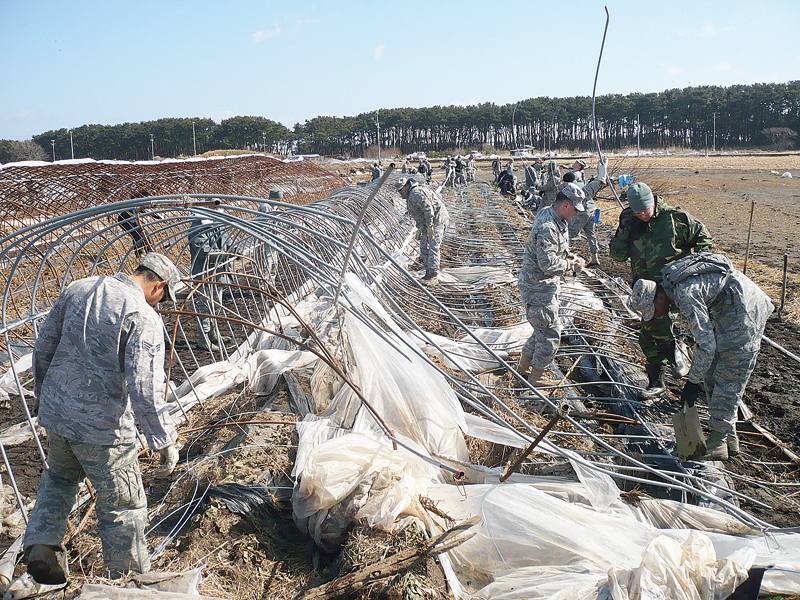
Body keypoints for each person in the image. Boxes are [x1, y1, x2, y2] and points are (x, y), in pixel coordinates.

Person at [24, 253, 182, 584]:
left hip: (59, 415)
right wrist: (163, 440)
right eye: (164, 298)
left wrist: (47, 395)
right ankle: (128, 584)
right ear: (159, 286)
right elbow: (146, 387)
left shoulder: (79, 288)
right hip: (103, 428)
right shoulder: (143, 316)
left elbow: (44, 346)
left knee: (60, 478)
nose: (161, 305)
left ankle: (41, 545)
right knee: (123, 506)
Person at [628, 253, 773, 459]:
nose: (657, 315)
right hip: (729, 307)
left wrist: (692, 383)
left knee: (729, 374)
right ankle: (729, 437)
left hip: (745, 309)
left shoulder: (685, 296)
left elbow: (705, 345)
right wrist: (697, 379)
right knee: (712, 371)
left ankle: (718, 443)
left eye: (654, 309)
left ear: (660, 296)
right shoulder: (671, 286)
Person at [609, 182, 713, 399]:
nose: (643, 216)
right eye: (638, 212)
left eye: (646, 211)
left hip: (672, 286)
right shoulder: (630, 221)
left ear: (653, 203)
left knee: (658, 325)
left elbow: (704, 239)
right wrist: (624, 228)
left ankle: (677, 358)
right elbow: (617, 256)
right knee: (647, 336)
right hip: (644, 289)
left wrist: (693, 269)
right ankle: (659, 378)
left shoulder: (677, 219)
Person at [517, 184, 587, 386]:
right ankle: (536, 380)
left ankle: (522, 369)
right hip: (538, 287)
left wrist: (568, 256)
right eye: (575, 209)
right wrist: (571, 265)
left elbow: (553, 250)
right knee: (550, 335)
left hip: (542, 285)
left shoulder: (552, 214)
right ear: (566, 205)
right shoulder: (548, 227)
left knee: (541, 330)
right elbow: (547, 264)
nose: (577, 214)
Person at [188, 209, 233, 353]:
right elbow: (203, 250)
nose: (217, 210)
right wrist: (224, 255)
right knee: (205, 308)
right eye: (213, 208)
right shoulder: (197, 227)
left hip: (218, 272)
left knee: (216, 305)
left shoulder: (218, 223)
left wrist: (235, 250)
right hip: (204, 274)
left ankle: (214, 334)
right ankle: (204, 341)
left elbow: (227, 241)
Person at [396, 177, 449, 284]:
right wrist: (421, 228)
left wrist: (430, 227)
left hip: (437, 220)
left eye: (401, 190)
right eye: (398, 191)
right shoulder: (410, 195)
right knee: (423, 246)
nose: (399, 192)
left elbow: (428, 208)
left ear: (406, 186)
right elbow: (418, 214)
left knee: (433, 246)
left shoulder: (415, 193)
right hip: (427, 223)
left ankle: (434, 275)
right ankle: (428, 272)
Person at [564, 171, 606, 266]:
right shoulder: (581, 184)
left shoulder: (570, 188)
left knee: (569, 233)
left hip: (582, 212)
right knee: (590, 234)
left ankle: (564, 255)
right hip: (592, 210)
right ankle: (595, 257)